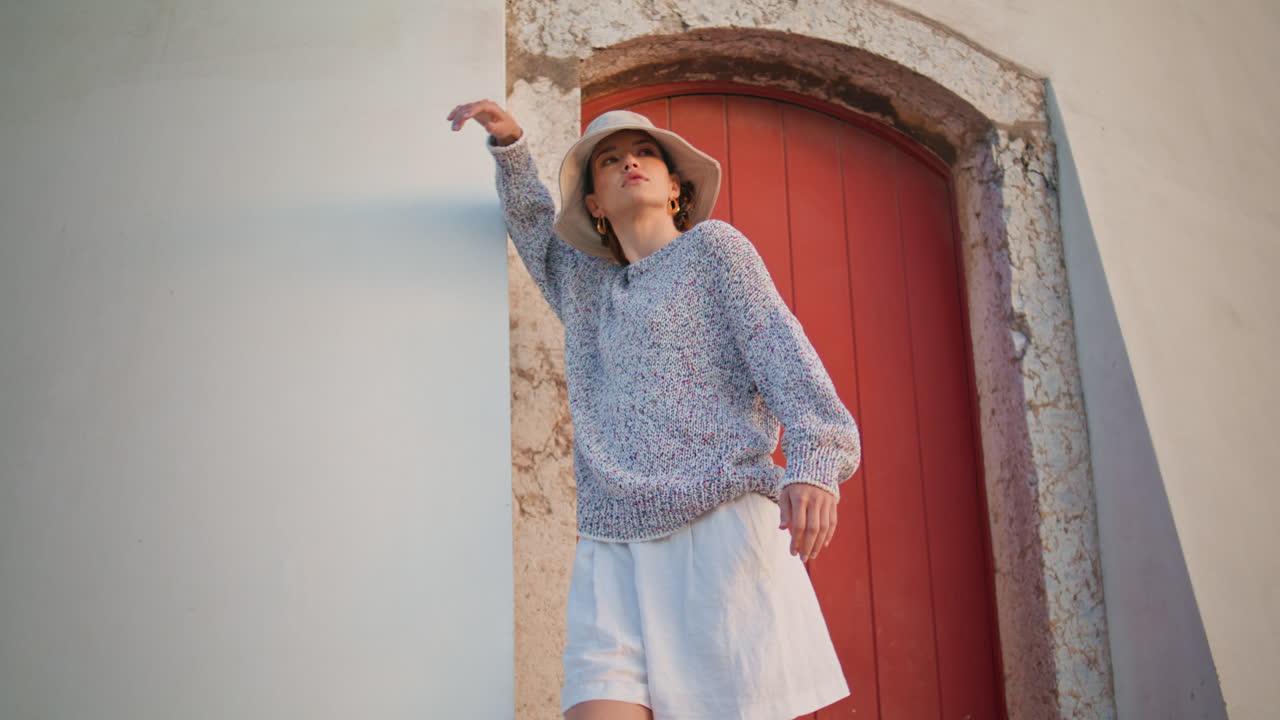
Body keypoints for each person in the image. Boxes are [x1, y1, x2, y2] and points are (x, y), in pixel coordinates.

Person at [447, 99, 863, 720]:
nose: (629, 163)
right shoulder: (583, 283)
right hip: (611, 543)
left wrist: (813, 462)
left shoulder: (716, 252)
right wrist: (510, 148)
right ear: (594, 204)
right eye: (609, 161)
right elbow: (535, 225)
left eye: (645, 154)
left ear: (675, 188)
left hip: (719, 535)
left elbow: (782, 350)